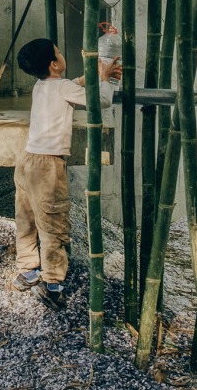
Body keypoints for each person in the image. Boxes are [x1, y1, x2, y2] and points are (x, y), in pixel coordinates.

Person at [12, 38, 122, 310]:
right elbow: (103, 101)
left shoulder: (42, 85)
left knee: (26, 220)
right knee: (54, 225)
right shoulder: (62, 88)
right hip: (47, 167)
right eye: (59, 53)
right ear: (54, 64)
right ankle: (52, 285)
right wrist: (106, 78)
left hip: (26, 161)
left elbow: (68, 86)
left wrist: (93, 75)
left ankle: (27, 271)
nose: (62, 55)